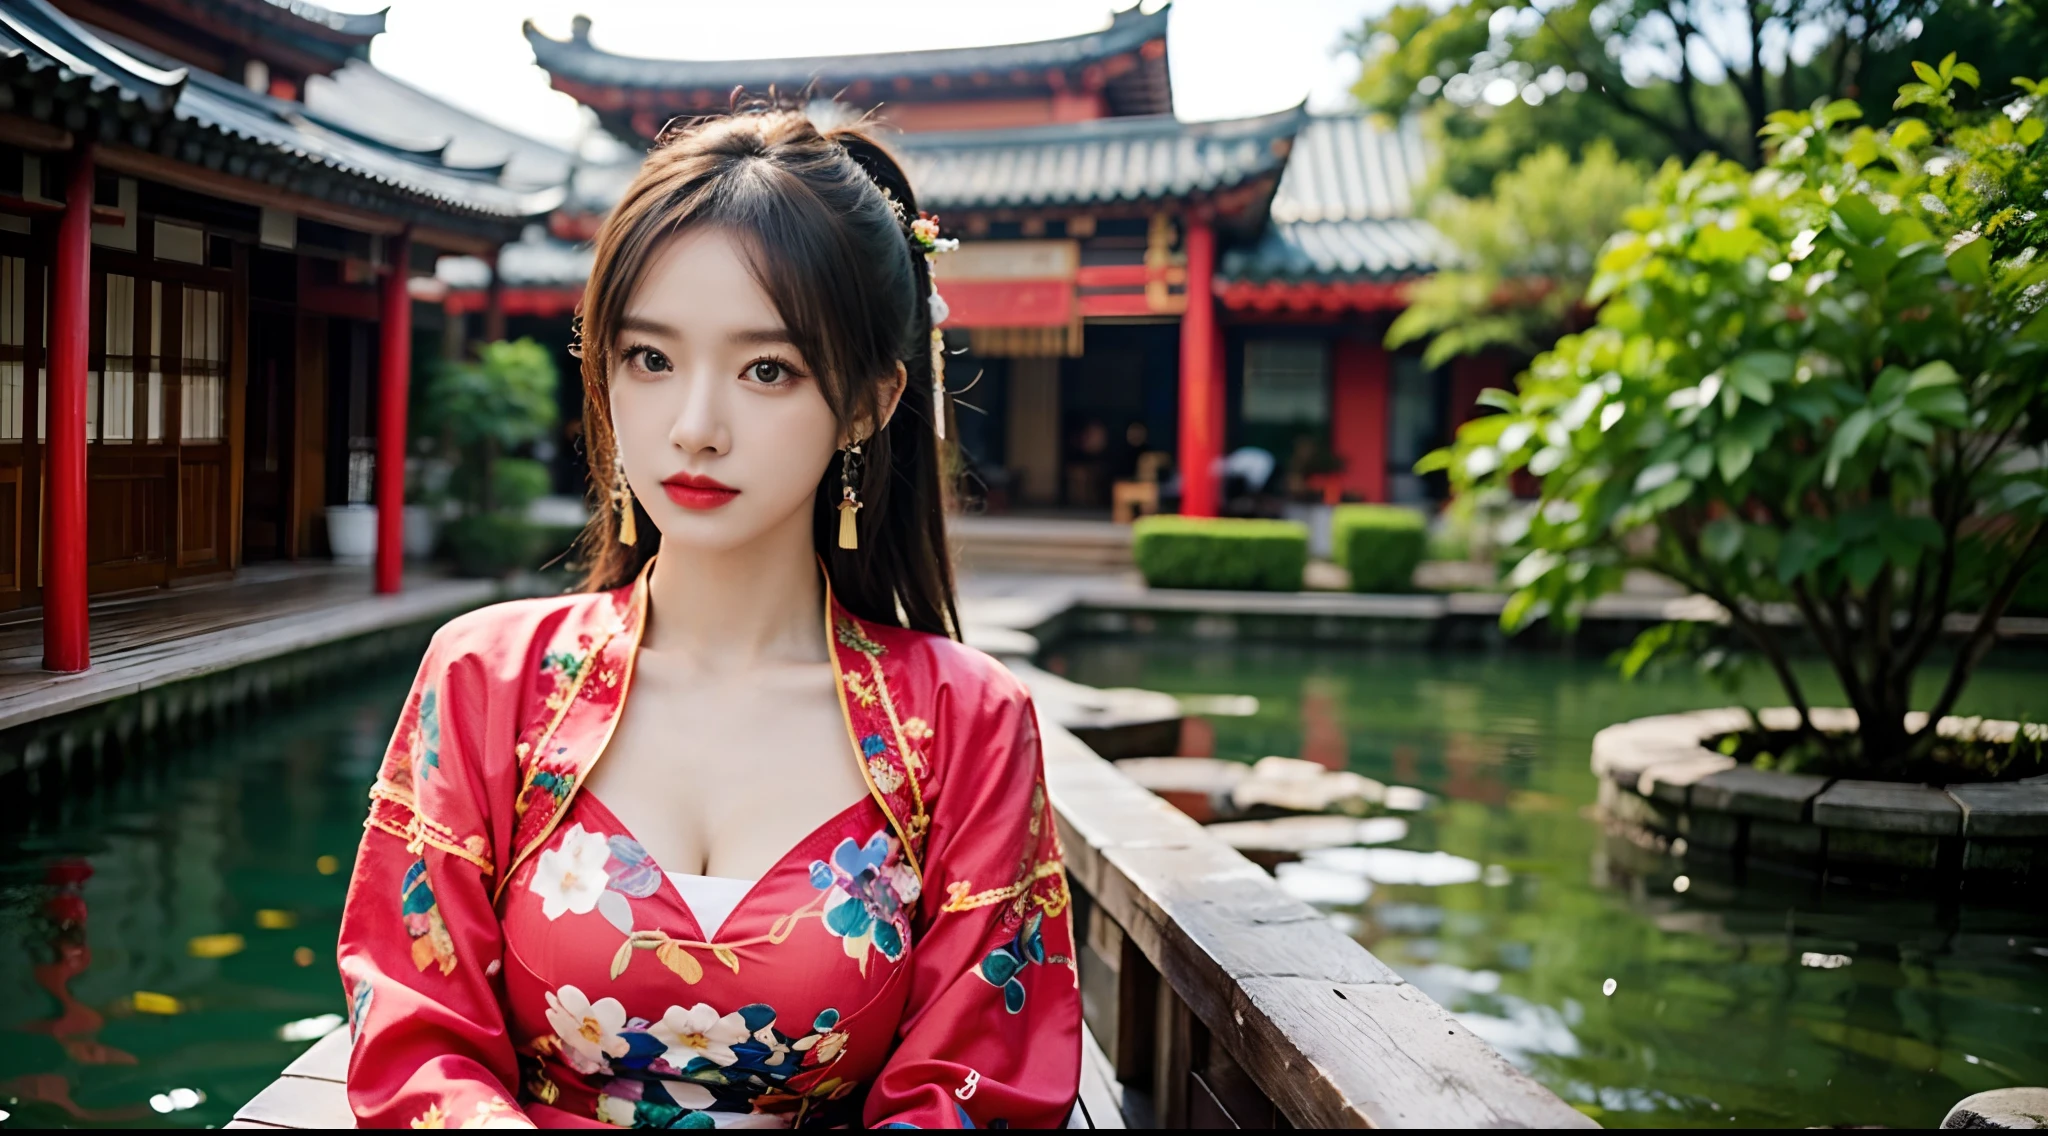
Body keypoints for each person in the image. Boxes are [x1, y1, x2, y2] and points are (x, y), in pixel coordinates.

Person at [335, 105, 1080, 1130]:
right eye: (649, 358)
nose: (693, 426)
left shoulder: (965, 723)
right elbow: (416, 1036)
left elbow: (979, 1085)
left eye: (766, 368)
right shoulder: (485, 679)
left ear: (867, 399)